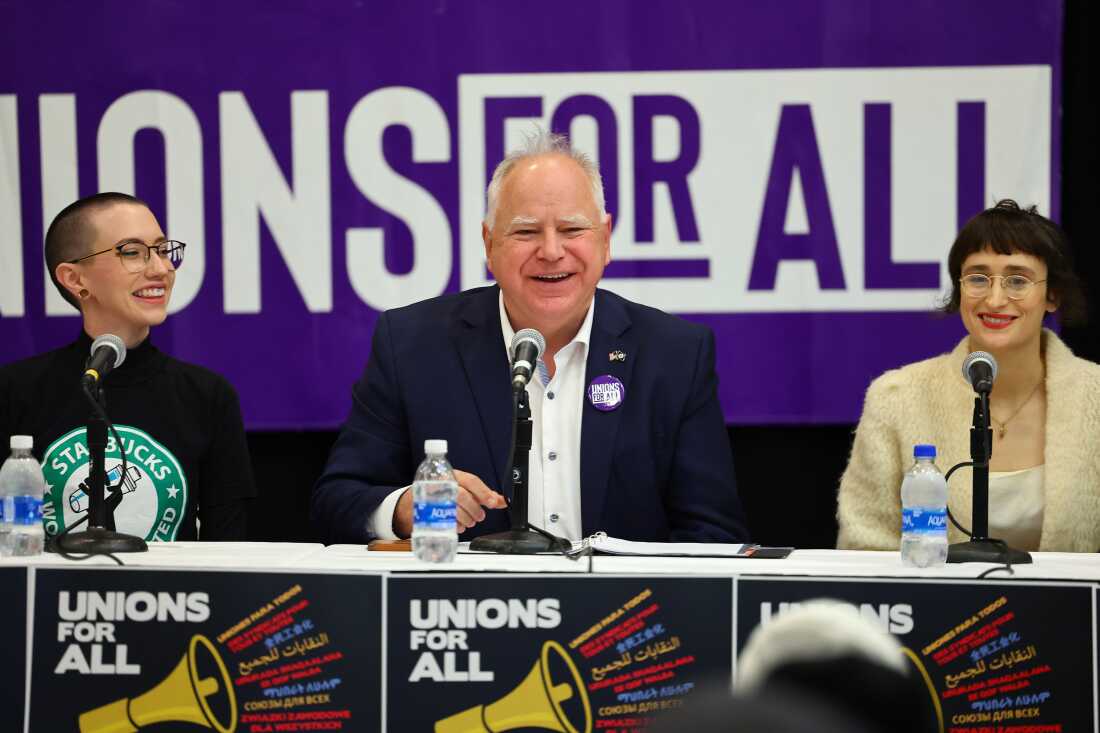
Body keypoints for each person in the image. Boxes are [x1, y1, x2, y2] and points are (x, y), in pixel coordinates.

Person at [312, 131, 747, 544]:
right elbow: (336, 501)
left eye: (573, 229)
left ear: (606, 239)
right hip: (471, 612)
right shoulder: (411, 347)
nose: (552, 251)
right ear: (489, 243)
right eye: (526, 231)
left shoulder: (674, 355)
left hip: (625, 615)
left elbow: (715, 535)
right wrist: (408, 508)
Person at [838, 199, 1099, 552]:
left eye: (1017, 280)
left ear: (1052, 294)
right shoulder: (896, 397)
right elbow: (863, 544)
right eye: (978, 278)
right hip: (932, 606)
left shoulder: (1094, 397)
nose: (994, 299)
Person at [0, 192, 256, 541]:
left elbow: (231, 552)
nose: (161, 269)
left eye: (163, 250)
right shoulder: (15, 391)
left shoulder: (206, 396)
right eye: (132, 252)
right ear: (75, 279)